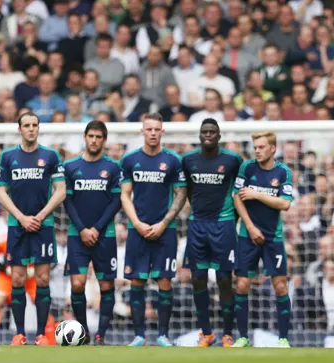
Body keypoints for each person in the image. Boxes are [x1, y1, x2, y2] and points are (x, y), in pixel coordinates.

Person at [0, 112, 66, 346]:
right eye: (26, 125)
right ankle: (20, 333)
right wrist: (21, 217)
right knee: (17, 278)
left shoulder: (51, 155)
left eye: (35, 125)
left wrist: (41, 215)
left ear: (38, 128)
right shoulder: (8, 156)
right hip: (17, 226)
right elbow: (0, 191)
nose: (31, 129)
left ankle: (42, 335)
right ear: (20, 129)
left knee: (43, 278)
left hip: (43, 225)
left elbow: (60, 190)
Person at [119, 113, 187, 347]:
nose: (153, 133)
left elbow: (180, 195)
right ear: (142, 131)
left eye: (157, 129)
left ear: (162, 132)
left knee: (165, 282)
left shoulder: (173, 160)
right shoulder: (129, 160)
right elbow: (125, 195)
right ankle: (139, 336)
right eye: (149, 129)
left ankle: (163, 336)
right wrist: (137, 223)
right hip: (137, 229)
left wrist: (163, 223)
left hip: (165, 231)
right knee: (136, 282)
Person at [181, 118, 242, 347]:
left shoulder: (232, 160)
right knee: (198, 279)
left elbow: (239, 191)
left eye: (212, 131)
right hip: (198, 225)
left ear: (219, 135)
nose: (208, 135)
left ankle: (227, 333)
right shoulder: (188, 160)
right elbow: (187, 191)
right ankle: (206, 333)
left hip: (223, 225)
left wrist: (232, 219)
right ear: (200, 135)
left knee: (225, 280)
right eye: (204, 131)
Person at [232, 131, 293, 348]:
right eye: (255, 147)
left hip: (272, 238)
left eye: (261, 147)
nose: (257, 150)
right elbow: (236, 197)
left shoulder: (283, 172)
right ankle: (242, 337)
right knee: (241, 284)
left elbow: (285, 204)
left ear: (273, 148)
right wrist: (249, 226)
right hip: (247, 235)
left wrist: (257, 195)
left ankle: (283, 338)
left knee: (280, 287)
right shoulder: (247, 168)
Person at [63, 121, 122, 346]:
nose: (95, 140)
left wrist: (96, 229)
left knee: (106, 285)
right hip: (77, 234)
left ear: (104, 140)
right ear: (85, 137)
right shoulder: (70, 167)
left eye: (99, 137)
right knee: (77, 284)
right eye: (91, 136)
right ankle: (85, 332)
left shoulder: (113, 167)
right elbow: (67, 201)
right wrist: (82, 229)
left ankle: (101, 335)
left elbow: (116, 201)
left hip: (104, 235)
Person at [0, 232, 51, 346]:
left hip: (32, 277)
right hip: (8, 277)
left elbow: (50, 261)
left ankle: (47, 339)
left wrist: (35, 270)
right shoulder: (2, 240)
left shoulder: (39, 239)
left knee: (42, 305)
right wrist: (4, 269)